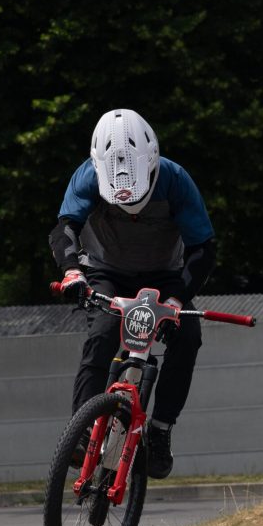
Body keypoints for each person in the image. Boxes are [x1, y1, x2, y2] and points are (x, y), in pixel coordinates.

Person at [49, 108, 216, 479]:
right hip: (105, 271)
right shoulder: (87, 176)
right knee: (103, 334)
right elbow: (64, 229)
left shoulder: (175, 180)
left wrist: (175, 301)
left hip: (164, 277)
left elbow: (203, 248)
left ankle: (160, 429)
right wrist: (72, 271)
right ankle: (81, 430)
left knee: (188, 336)